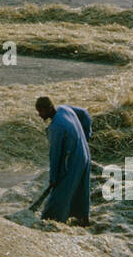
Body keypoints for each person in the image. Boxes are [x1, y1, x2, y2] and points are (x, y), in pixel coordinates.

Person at [34, 96, 92, 225]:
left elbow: (55, 155)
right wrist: (86, 135)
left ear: (49, 108)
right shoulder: (64, 109)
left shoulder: (56, 127)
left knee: (60, 192)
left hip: (73, 160)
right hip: (84, 153)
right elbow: (85, 114)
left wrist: (53, 178)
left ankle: (50, 222)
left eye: (41, 111)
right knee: (81, 189)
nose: (39, 115)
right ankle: (83, 220)